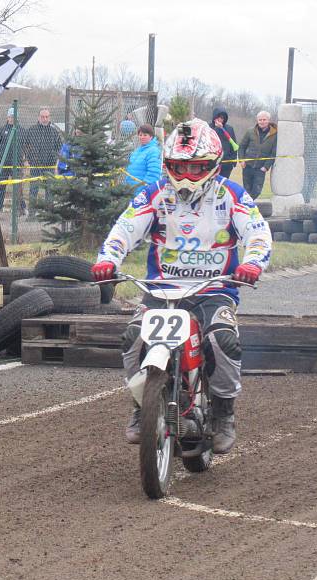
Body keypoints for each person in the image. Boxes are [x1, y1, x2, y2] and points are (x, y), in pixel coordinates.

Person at [91, 119, 272, 453]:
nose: (187, 175)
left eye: (196, 167)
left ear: (212, 165)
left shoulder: (232, 195)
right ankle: (139, 404)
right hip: (161, 289)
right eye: (179, 167)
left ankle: (223, 412)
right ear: (168, 165)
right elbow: (124, 229)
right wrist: (108, 259)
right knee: (133, 336)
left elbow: (258, 232)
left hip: (214, 290)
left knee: (222, 340)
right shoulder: (154, 193)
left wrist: (252, 263)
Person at [24, 107, 63, 212]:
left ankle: (49, 213)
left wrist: (54, 160)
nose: (45, 119)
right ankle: (32, 213)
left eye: (46, 117)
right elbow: (25, 146)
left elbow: (59, 148)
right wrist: (30, 159)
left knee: (49, 190)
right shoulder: (31, 131)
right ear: (39, 117)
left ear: (49, 117)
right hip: (35, 166)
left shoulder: (54, 132)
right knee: (33, 189)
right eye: (42, 117)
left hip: (49, 166)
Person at [238, 111, 278, 199]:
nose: (262, 122)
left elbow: (273, 153)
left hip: (261, 169)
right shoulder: (250, 132)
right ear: (257, 120)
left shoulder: (274, 134)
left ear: (268, 120)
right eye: (260, 120)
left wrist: (266, 167)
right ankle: (248, 208)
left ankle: (247, 205)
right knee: (247, 190)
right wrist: (241, 160)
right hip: (247, 167)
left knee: (257, 191)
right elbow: (241, 147)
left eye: (264, 119)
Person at [0, 108, 25, 211]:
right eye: (11, 116)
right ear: (7, 117)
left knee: (18, 186)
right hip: (3, 164)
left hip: (17, 163)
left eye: (14, 116)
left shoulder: (22, 130)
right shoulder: (2, 130)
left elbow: (25, 146)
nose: (12, 119)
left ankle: (20, 208)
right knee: (1, 186)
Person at [124, 124, 162, 190]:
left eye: (145, 135)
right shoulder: (137, 151)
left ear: (151, 136)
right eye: (140, 135)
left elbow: (153, 174)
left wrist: (143, 189)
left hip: (141, 193)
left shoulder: (153, 151)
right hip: (130, 190)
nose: (142, 137)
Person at [302, 113, 317, 201]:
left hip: (316, 159)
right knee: (306, 179)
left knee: (314, 178)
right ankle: (304, 197)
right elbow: (304, 145)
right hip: (307, 159)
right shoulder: (306, 131)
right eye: (315, 120)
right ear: (311, 121)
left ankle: (308, 197)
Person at [210, 107, 238, 179]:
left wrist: (233, 162)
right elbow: (208, 140)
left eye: (222, 118)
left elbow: (233, 145)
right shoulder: (208, 127)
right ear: (214, 117)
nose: (220, 119)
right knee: (211, 184)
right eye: (218, 117)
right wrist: (217, 128)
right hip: (212, 163)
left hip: (226, 164)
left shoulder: (229, 129)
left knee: (223, 185)